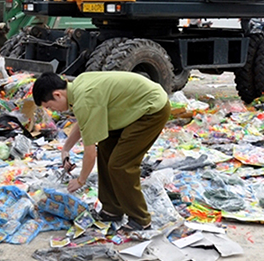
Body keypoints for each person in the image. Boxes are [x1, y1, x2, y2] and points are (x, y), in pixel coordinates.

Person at [32, 71, 170, 231]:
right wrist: (66, 149)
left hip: (151, 110)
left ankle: (140, 219)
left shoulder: (85, 100)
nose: (54, 111)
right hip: (130, 109)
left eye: (49, 106)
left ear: (57, 94)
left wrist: (80, 181)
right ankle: (112, 210)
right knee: (106, 149)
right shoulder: (78, 86)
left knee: (120, 165)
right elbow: (84, 121)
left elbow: (90, 152)